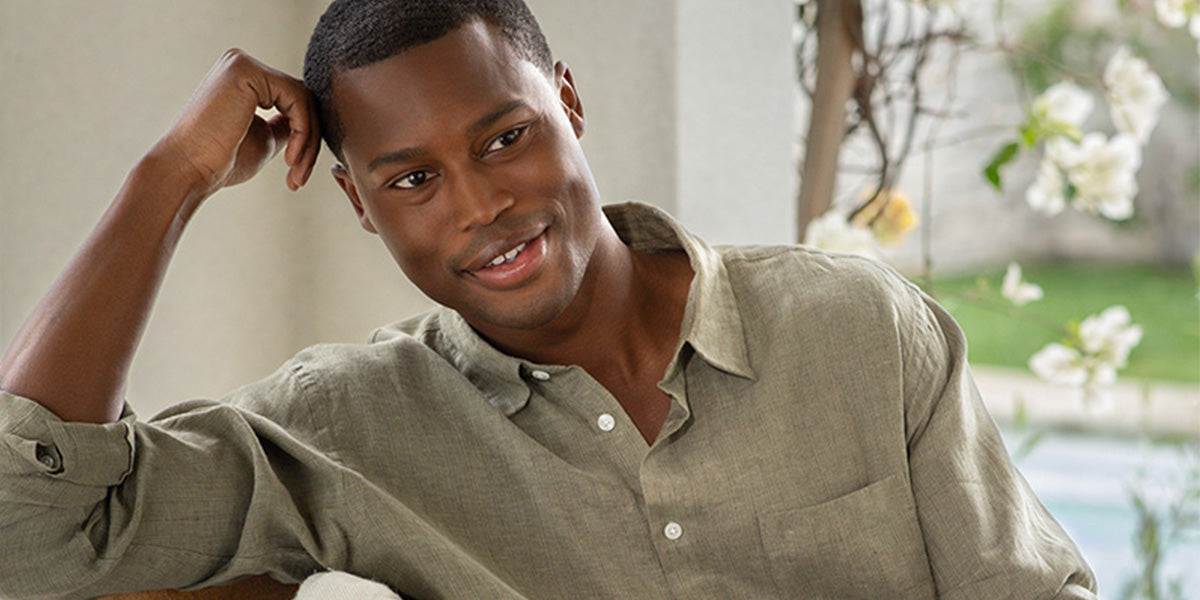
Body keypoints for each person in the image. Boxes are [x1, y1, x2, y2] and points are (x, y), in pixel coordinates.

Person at [0, 0, 1098, 598]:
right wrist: (169, 180)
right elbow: (27, 536)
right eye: (413, 181)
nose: (480, 205)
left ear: (568, 100)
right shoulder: (343, 431)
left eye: (507, 137)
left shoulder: (856, 329)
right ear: (358, 205)